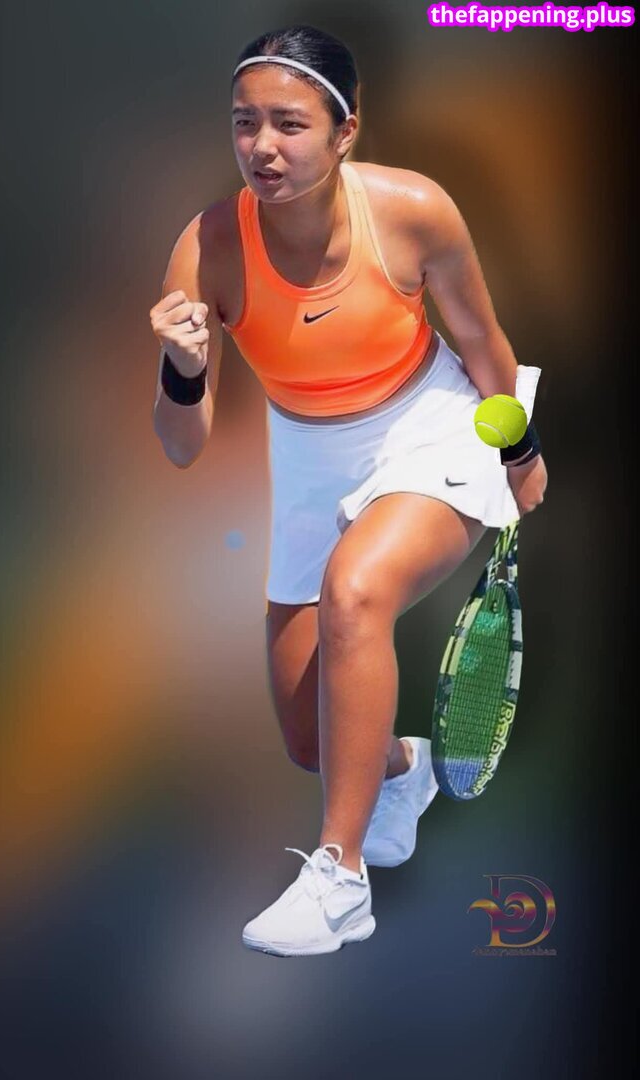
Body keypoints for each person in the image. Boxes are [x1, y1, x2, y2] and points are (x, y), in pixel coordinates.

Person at [149, 25, 548, 957]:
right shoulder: (206, 247)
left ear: (346, 131)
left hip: (428, 421)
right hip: (306, 454)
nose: (262, 146)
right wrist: (181, 369)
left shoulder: (416, 211)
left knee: (354, 591)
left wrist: (521, 450)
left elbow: (483, 341)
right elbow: (180, 446)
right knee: (310, 738)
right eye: (244, 122)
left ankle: (340, 882)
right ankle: (403, 768)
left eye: (289, 124)